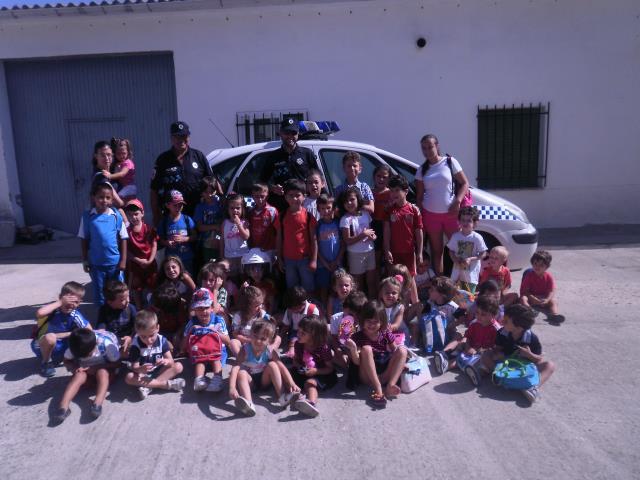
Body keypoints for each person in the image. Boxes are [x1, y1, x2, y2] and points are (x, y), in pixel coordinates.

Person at [414, 134, 470, 275]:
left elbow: (465, 183)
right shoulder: (421, 170)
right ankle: (440, 282)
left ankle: (465, 283)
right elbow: (419, 197)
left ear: (437, 146)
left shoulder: (450, 162)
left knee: (461, 249)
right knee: (437, 251)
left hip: (452, 214)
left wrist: (457, 201)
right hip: (430, 215)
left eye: (430, 147)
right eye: (424, 148)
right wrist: (419, 218)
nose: (427, 151)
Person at [479, 304, 556, 403]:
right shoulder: (502, 332)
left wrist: (529, 355)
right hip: (506, 365)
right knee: (486, 354)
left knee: (550, 365)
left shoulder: (531, 338)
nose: (502, 321)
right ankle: (499, 376)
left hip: (524, 367)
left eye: (506, 321)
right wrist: (497, 352)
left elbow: (538, 359)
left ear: (519, 328)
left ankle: (533, 387)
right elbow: (497, 349)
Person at [228, 320, 300, 416]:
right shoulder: (245, 349)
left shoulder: (270, 350)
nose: (258, 341)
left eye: (263, 339)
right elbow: (235, 367)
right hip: (250, 382)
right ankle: (249, 403)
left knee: (273, 365)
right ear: (250, 335)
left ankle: (282, 397)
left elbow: (281, 366)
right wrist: (232, 388)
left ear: (269, 341)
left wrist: (292, 383)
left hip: (264, 380)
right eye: (255, 336)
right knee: (241, 373)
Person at [345, 300, 408, 407]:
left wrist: (401, 363)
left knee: (402, 350)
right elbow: (357, 362)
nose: (372, 324)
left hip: (383, 373)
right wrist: (353, 349)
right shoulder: (357, 337)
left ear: (382, 322)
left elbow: (395, 350)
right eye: (368, 321)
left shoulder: (385, 333)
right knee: (366, 349)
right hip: (367, 375)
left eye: (376, 321)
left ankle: (390, 385)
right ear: (362, 320)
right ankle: (378, 387)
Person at [150, 121, 214, 224]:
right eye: (177, 137)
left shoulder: (199, 156)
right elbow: (154, 190)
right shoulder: (162, 160)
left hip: (198, 215)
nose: (181, 140)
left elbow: (212, 182)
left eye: (184, 136)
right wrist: (156, 215)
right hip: (172, 217)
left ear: (189, 137)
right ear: (171, 138)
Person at [53, 328, 120, 424]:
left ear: (95, 345)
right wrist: (75, 368)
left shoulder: (106, 346)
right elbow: (67, 361)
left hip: (105, 370)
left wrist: (96, 367)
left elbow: (117, 363)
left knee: (102, 372)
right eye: (81, 356)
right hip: (87, 373)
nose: (85, 358)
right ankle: (63, 407)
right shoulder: (75, 346)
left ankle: (97, 403)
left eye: (88, 355)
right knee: (79, 375)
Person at [79, 182, 128, 306]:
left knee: (117, 293)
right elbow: (84, 239)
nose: (104, 200)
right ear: (93, 197)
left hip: (114, 264)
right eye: (100, 197)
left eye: (108, 197)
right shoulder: (87, 217)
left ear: (112, 200)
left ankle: (118, 313)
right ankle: (103, 314)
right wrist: (85, 260)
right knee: (100, 294)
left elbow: (123, 238)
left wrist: (123, 261)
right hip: (96, 265)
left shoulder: (116, 216)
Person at [31, 281, 90, 377]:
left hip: (63, 348)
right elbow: (40, 313)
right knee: (50, 337)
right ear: (60, 298)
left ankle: (72, 358)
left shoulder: (75, 314)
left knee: (83, 337)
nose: (71, 304)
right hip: (43, 346)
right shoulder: (54, 311)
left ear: (80, 303)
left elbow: (89, 332)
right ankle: (46, 362)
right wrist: (60, 302)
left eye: (75, 302)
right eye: (68, 301)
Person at [433, 295, 501, 377]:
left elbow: (494, 349)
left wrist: (477, 350)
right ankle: (444, 364)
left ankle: (476, 374)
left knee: (482, 366)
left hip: (482, 354)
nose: (479, 316)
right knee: (459, 355)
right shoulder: (475, 324)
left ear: (493, 315)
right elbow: (468, 337)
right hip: (469, 350)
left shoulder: (496, 329)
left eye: (483, 314)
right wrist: (468, 347)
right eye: (477, 312)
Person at [124, 310, 185, 400]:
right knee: (129, 377)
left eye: (151, 335)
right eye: (143, 337)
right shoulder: (136, 345)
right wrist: (141, 369)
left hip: (159, 370)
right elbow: (134, 367)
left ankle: (148, 387)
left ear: (157, 328)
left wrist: (166, 361)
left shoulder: (162, 340)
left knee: (178, 366)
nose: (148, 340)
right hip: (143, 375)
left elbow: (171, 361)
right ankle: (166, 385)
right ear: (137, 332)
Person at [261, 117, 317, 213]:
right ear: (281, 134)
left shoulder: (307, 154)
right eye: (287, 133)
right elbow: (262, 182)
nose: (290, 136)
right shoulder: (272, 157)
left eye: (293, 133)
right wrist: (273, 188)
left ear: (298, 134)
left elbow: (318, 179)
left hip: (305, 207)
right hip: (281, 208)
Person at [182, 288, 230, 392]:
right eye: (199, 308)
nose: (203, 311)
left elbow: (228, 341)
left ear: (212, 308)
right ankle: (199, 380)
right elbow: (183, 346)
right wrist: (191, 331)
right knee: (200, 361)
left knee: (216, 360)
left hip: (217, 353)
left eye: (206, 307)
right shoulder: (192, 323)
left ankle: (217, 381)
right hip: (200, 353)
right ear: (194, 310)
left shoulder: (218, 320)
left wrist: (216, 332)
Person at [275, 178, 318, 294]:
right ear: (285, 197)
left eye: (298, 195)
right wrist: (279, 259)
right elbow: (279, 239)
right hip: (288, 260)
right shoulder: (282, 216)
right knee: (292, 289)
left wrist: (314, 260)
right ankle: (295, 305)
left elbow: (314, 239)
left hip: (305, 259)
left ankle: (309, 305)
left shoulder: (308, 217)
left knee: (308, 287)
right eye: (291, 195)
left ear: (304, 196)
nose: (294, 198)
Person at [290, 315, 338, 417]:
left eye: (303, 333)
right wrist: (298, 366)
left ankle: (311, 403)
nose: (298, 334)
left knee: (310, 383)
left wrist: (315, 371)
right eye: (298, 331)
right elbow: (295, 360)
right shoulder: (298, 344)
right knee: (288, 377)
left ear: (314, 336)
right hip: (303, 371)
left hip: (321, 373)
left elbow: (330, 368)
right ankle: (293, 394)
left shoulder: (323, 348)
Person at [339, 186, 377, 298]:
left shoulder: (365, 214)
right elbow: (347, 240)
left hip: (370, 250)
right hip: (355, 254)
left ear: (358, 199)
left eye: (352, 199)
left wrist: (373, 236)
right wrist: (363, 235)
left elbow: (370, 232)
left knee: (371, 281)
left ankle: (372, 303)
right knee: (358, 283)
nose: (349, 203)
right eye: (346, 201)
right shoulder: (345, 219)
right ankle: (359, 305)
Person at [384, 174, 424, 277]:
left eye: (397, 190)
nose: (394, 193)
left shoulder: (414, 210)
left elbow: (419, 232)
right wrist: (387, 250)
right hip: (394, 252)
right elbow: (387, 232)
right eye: (391, 190)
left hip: (409, 252)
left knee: (410, 278)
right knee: (394, 279)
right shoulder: (389, 210)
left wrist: (420, 252)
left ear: (406, 191)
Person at [124, 199, 158, 310]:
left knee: (152, 287)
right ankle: (139, 310)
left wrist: (149, 261)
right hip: (135, 266)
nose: (133, 217)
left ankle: (153, 308)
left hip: (150, 265)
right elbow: (126, 251)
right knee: (136, 289)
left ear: (142, 213)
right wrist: (138, 260)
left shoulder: (149, 229)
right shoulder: (127, 232)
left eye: (136, 214)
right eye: (130, 215)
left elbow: (154, 245)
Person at [229, 285, 279, 356]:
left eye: (261, 304)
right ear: (247, 306)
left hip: (260, 342)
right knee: (233, 342)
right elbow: (235, 334)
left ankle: (267, 354)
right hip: (245, 342)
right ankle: (243, 358)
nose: (260, 307)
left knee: (278, 338)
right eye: (256, 306)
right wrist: (249, 340)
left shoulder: (263, 314)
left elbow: (269, 331)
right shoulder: (239, 316)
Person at [447, 206, 488, 293]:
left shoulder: (477, 238)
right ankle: (457, 301)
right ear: (459, 221)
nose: (465, 223)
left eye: (469, 220)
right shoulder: (455, 236)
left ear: (475, 223)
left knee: (468, 291)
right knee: (455, 290)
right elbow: (451, 250)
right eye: (463, 220)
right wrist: (455, 259)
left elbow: (483, 253)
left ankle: (468, 300)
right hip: (457, 268)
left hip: (471, 270)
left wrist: (471, 259)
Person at [158, 190, 197, 275]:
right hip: (172, 260)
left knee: (188, 278)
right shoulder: (164, 222)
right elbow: (160, 240)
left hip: (186, 258)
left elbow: (195, 236)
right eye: (175, 205)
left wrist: (184, 239)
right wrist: (167, 242)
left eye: (181, 205)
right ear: (167, 205)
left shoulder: (187, 219)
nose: (178, 207)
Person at [520, 250, 565, 323]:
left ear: (547, 267)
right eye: (535, 264)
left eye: (541, 265)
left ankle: (554, 314)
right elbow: (525, 291)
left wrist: (547, 299)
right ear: (532, 263)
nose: (537, 267)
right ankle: (529, 311)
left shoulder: (548, 276)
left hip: (543, 299)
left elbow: (552, 290)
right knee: (523, 298)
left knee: (554, 301)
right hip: (531, 297)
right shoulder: (529, 275)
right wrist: (532, 298)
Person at [316, 195, 345, 307]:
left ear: (333, 208)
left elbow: (343, 244)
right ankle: (324, 309)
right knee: (323, 287)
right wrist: (324, 263)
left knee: (339, 286)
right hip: (323, 264)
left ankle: (340, 308)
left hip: (337, 263)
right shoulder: (317, 225)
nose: (326, 211)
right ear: (318, 209)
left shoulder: (338, 223)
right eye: (322, 208)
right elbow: (316, 247)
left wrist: (336, 261)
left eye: (328, 208)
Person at [97, 280, 136, 356]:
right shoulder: (104, 310)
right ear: (110, 302)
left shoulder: (131, 308)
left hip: (129, 341)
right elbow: (101, 330)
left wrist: (130, 337)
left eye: (128, 296)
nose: (128, 300)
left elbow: (137, 326)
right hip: (112, 343)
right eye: (122, 300)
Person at [281, 286, 320, 358]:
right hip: (295, 332)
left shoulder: (312, 310)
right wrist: (280, 337)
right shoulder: (289, 310)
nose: (293, 311)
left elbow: (316, 329)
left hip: (309, 333)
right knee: (293, 340)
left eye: (294, 309)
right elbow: (286, 326)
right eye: (291, 309)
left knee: (298, 341)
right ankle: (292, 354)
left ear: (303, 303)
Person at [193, 176, 224, 267]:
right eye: (206, 192)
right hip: (206, 244)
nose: (209, 195)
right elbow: (199, 227)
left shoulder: (221, 204)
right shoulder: (200, 207)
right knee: (209, 266)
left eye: (212, 192)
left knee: (221, 265)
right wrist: (215, 226)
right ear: (201, 192)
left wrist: (221, 193)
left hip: (221, 242)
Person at [220, 193, 250, 280]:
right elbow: (222, 240)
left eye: (238, 208)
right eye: (232, 208)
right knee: (232, 279)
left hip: (243, 256)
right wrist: (221, 256)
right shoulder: (225, 223)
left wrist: (239, 224)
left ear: (242, 209)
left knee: (244, 278)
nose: (235, 210)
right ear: (228, 209)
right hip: (229, 257)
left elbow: (246, 237)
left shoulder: (245, 222)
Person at [247, 182, 279, 260]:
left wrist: (278, 250)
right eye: (256, 196)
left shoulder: (272, 211)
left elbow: (278, 231)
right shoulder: (250, 212)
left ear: (267, 196)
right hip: (254, 249)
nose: (260, 199)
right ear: (252, 197)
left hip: (269, 249)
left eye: (262, 196)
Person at [90, 140, 125, 209]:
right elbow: (119, 203)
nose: (106, 158)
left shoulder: (113, 172)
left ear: (112, 155)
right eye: (102, 155)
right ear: (96, 156)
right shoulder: (101, 177)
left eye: (108, 154)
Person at [379, 276, 407, 345]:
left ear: (398, 296)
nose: (390, 295)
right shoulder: (378, 307)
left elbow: (397, 324)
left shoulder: (400, 307)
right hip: (382, 332)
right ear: (381, 294)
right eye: (387, 293)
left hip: (398, 333)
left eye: (394, 293)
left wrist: (389, 327)